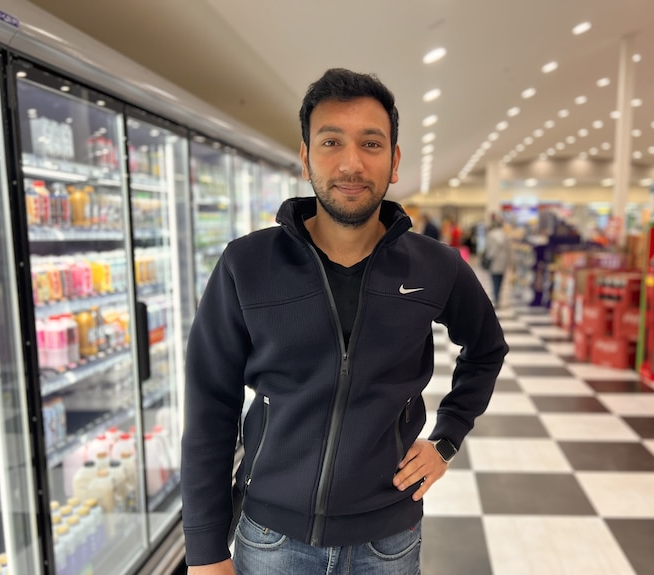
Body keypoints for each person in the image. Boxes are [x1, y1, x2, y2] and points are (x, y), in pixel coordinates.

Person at [181, 68, 508, 575]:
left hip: (388, 540)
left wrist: (447, 438)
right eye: (332, 141)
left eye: (371, 143)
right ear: (307, 155)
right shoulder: (245, 265)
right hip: (270, 539)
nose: (351, 163)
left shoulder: (436, 267)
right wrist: (204, 550)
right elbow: (209, 406)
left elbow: (486, 349)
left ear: (394, 161)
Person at [482, 214, 510, 307]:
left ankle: (496, 297)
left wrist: (487, 258)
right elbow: (509, 250)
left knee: (494, 279)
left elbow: (488, 248)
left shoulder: (490, 235)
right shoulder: (505, 235)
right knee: (501, 279)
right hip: (503, 260)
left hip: (494, 260)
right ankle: (498, 296)